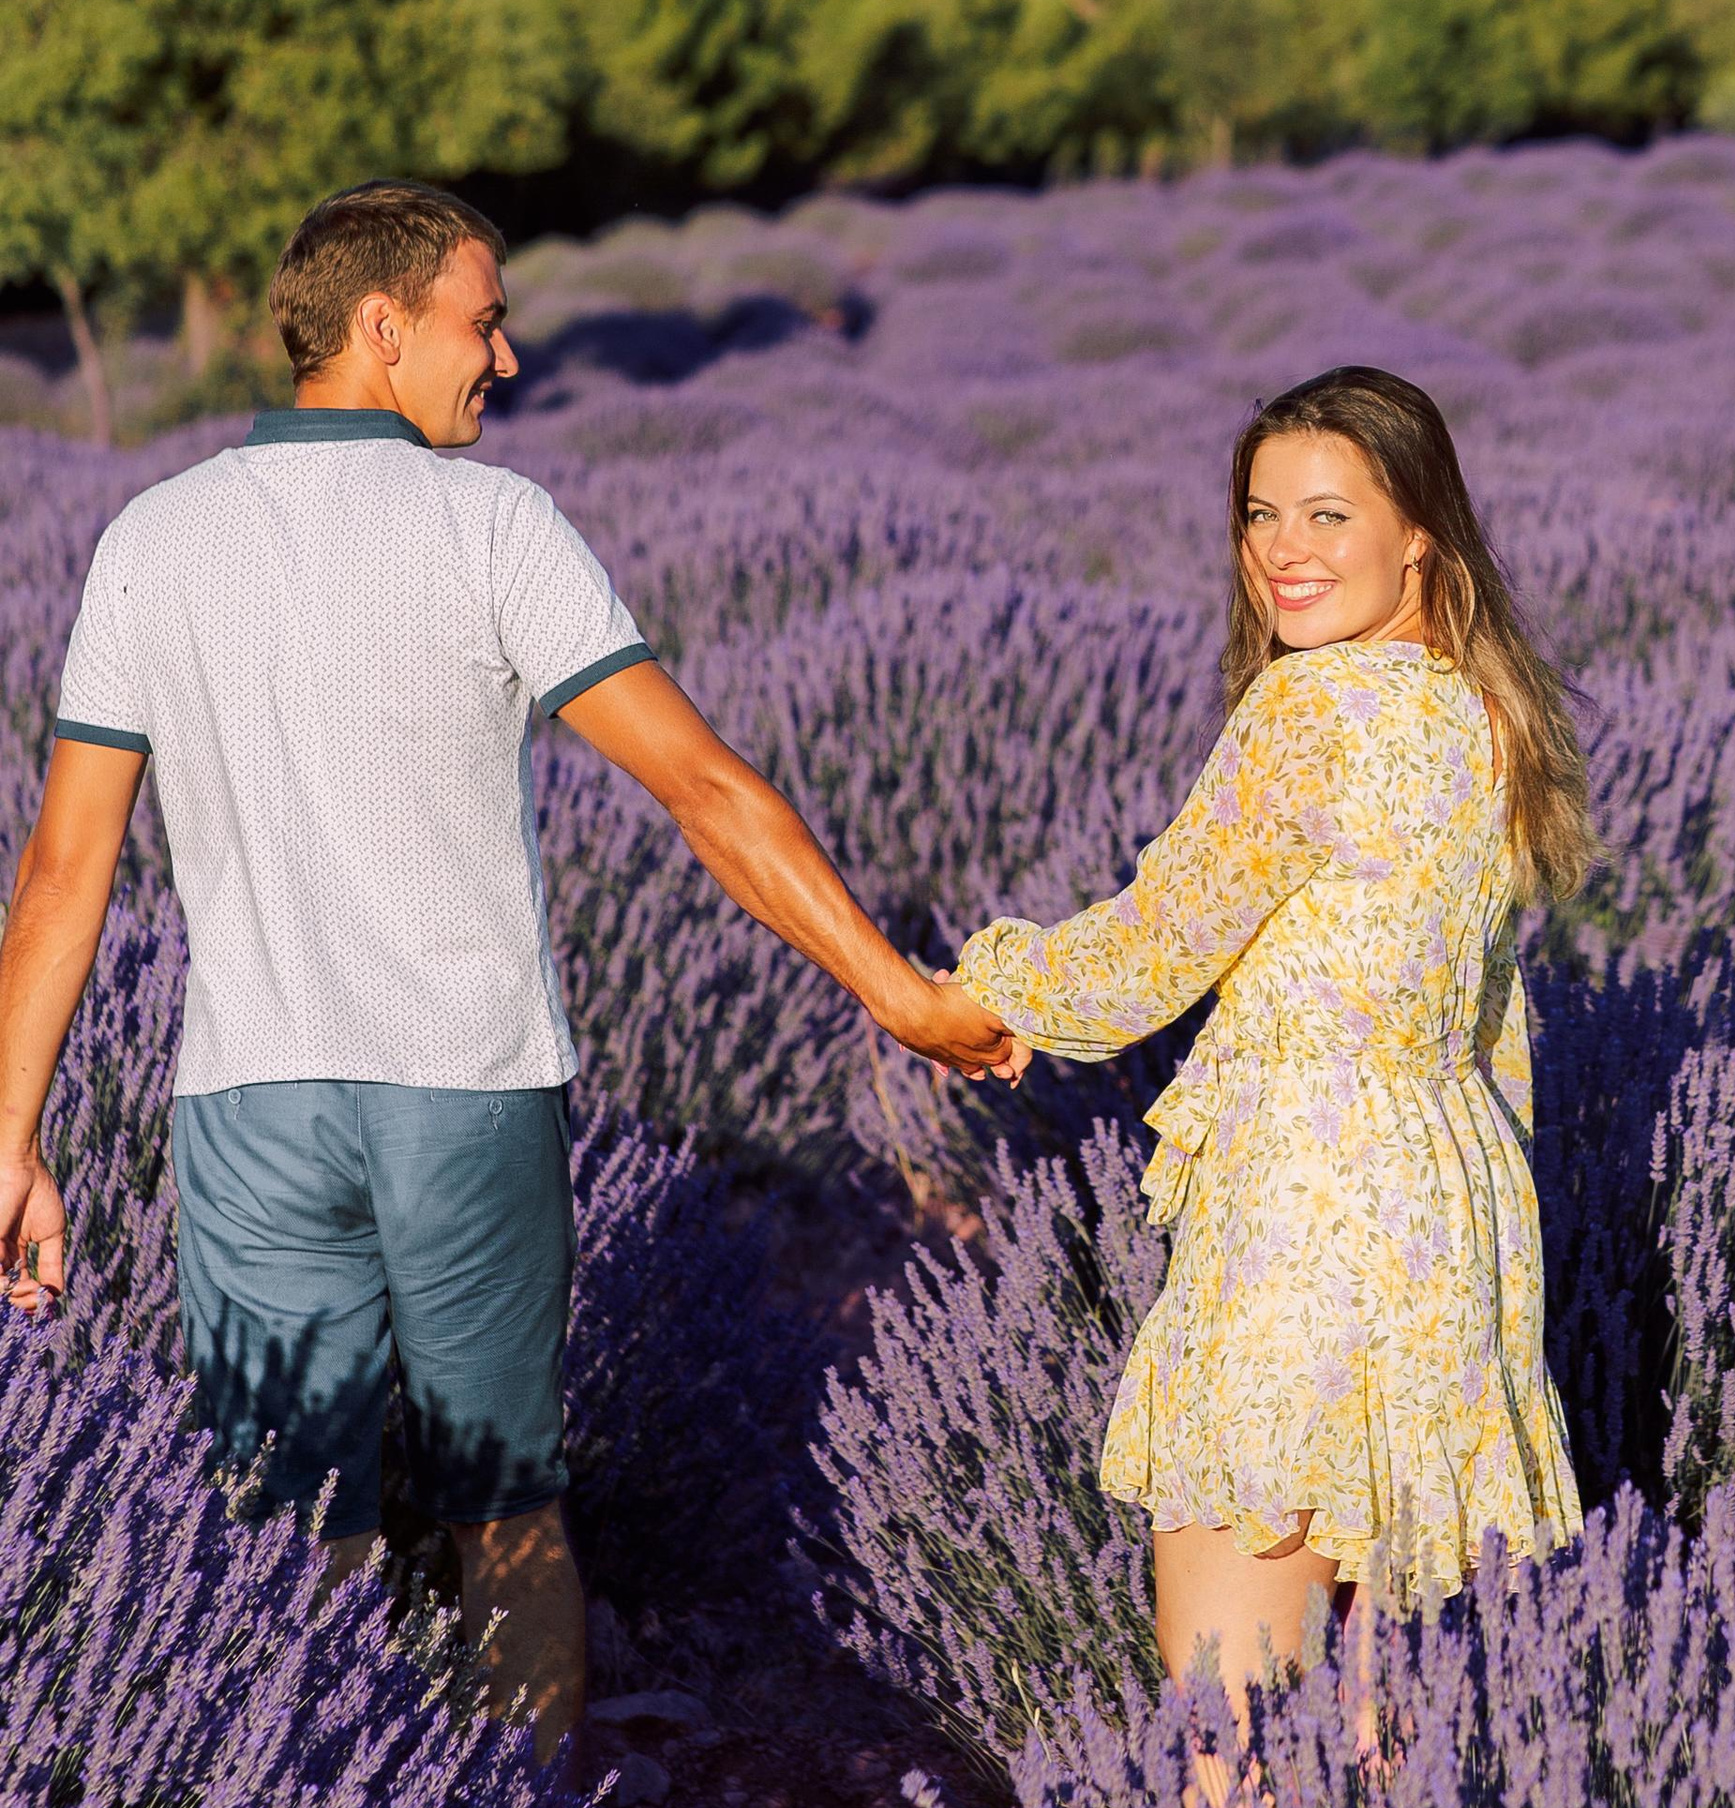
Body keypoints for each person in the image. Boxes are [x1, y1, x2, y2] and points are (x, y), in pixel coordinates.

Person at [0, 180, 1018, 1767]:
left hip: (248, 1103)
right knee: (510, 1509)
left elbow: (65, 874)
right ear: (381, 326)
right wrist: (895, 991)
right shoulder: (495, 527)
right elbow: (704, 790)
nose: (510, 359)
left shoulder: (152, 539)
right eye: (483, 322)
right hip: (465, 1092)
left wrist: (12, 1138)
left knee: (292, 1527)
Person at [955, 364, 1594, 1725]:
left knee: (1231, 1723)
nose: (1283, 551)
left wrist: (979, 991)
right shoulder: (1483, 712)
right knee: (1385, 1724)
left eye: (1327, 515)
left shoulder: (1313, 709)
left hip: (1302, 1227)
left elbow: (1146, 956)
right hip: (1453, 1221)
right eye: (1261, 515)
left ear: (1419, 530)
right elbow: (1497, 1028)